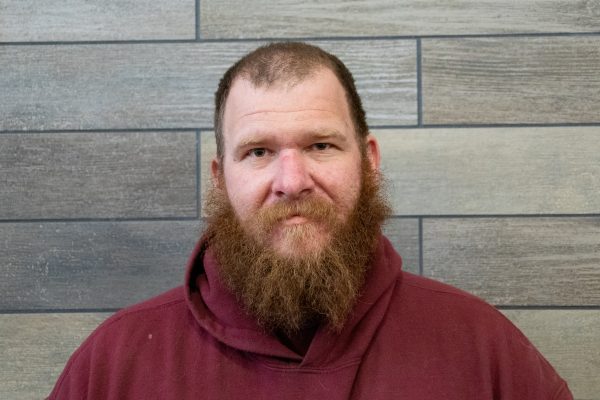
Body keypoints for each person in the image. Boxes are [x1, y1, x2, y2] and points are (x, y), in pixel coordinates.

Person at [48, 42, 573, 399]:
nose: (291, 180)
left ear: (368, 161)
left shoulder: (482, 350)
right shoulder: (113, 366)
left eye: (320, 145)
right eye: (257, 152)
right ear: (219, 176)